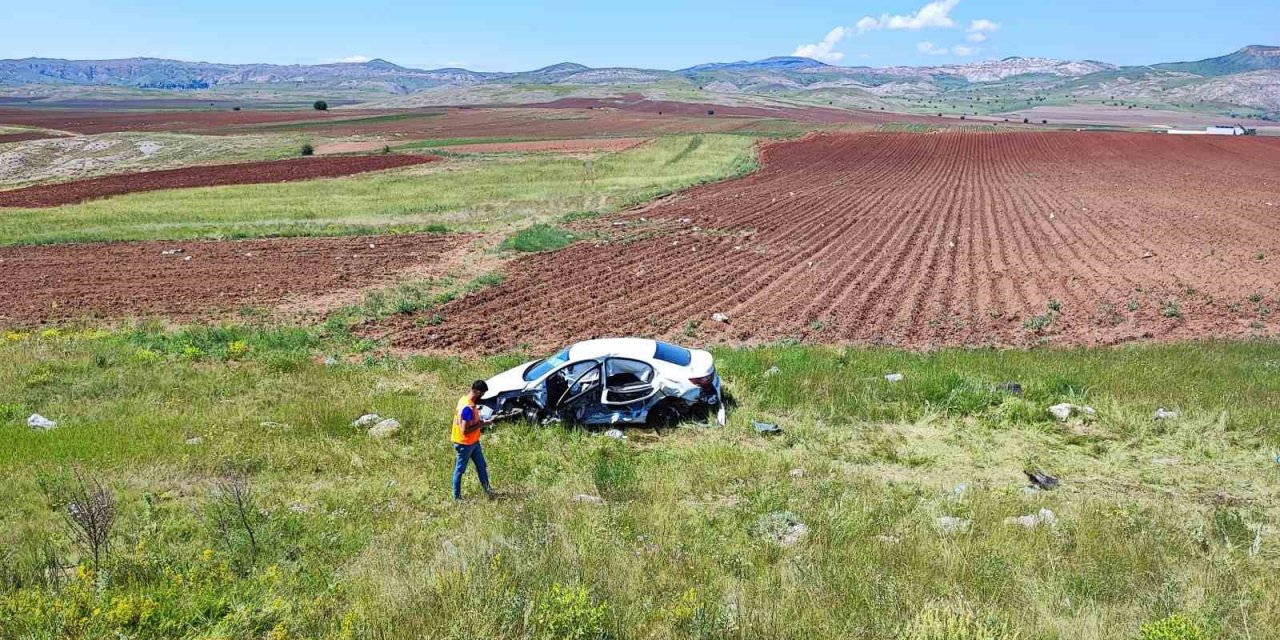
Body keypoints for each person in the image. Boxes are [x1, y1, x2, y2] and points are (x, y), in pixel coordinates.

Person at [452, 380, 493, 500]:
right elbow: (464, 430)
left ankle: (488, 490)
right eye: (482, 394)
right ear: (477, 392)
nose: (483, 397)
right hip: (464, 444)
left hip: (474, 442)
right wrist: (481, 425)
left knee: (481, 466)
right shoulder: (467, 408)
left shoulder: (465, 400)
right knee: (459, 471)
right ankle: (457, 498)